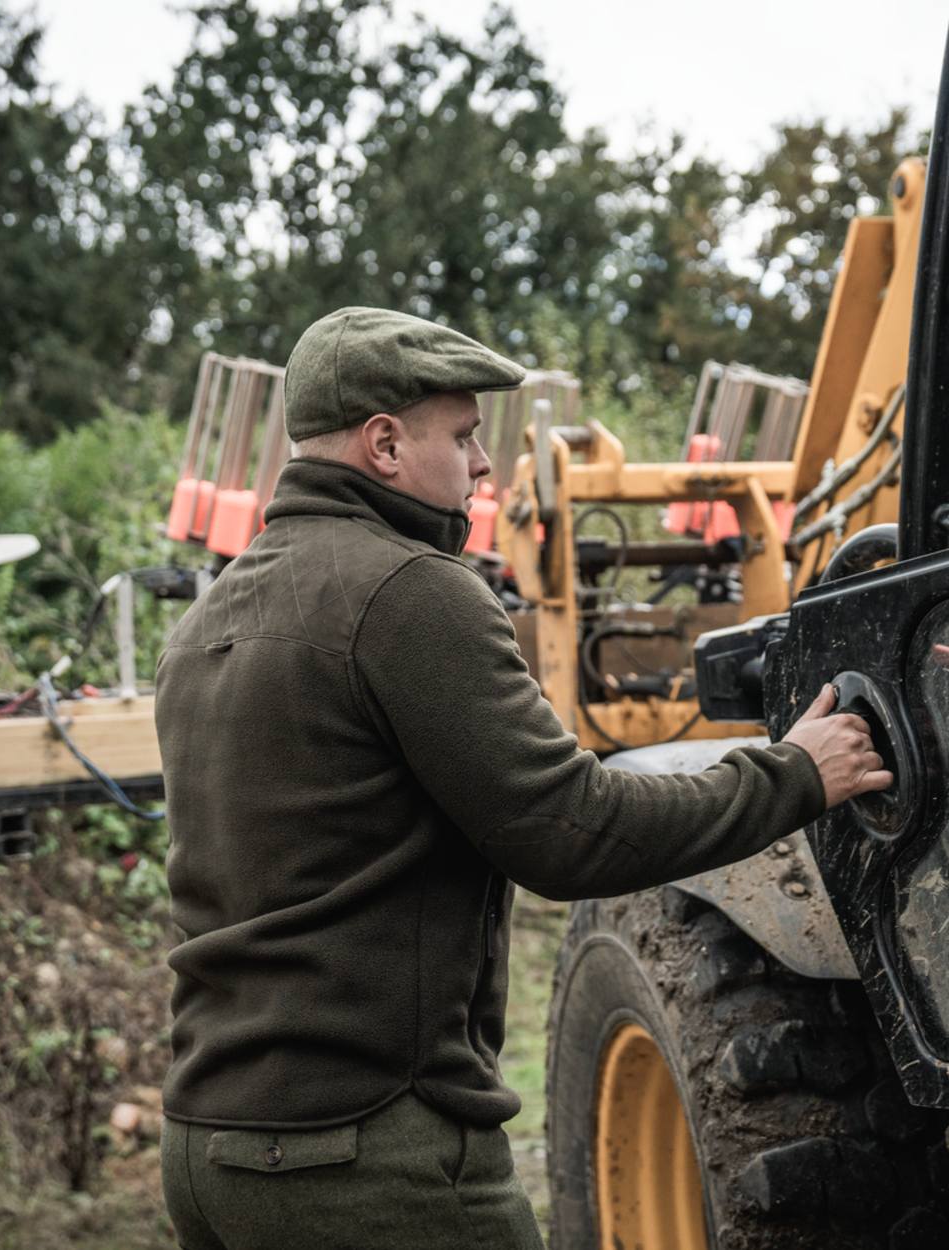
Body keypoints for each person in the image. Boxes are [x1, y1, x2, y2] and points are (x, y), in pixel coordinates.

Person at [156, 306, 891, 1250]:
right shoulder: (408, 592)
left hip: (210, 1147)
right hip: (365, 1162)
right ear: (384, 442)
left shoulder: (210, 620)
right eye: (462, 437)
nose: (483, 466)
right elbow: (571, 830)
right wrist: (796, 774)